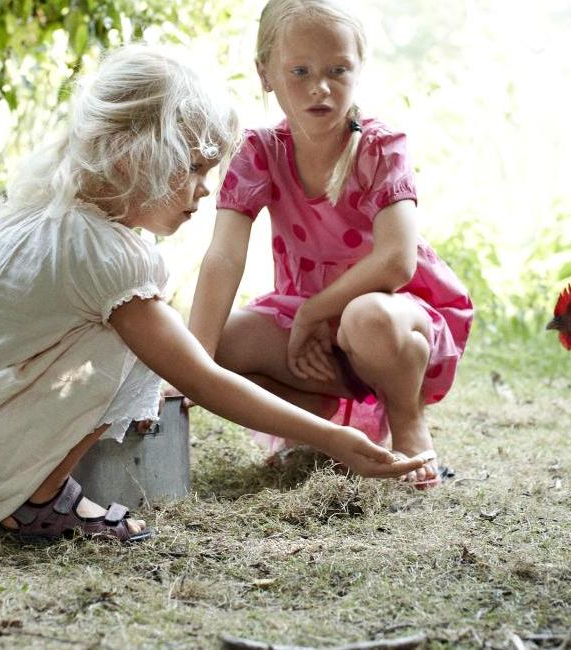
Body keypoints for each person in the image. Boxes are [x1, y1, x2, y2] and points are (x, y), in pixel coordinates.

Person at [0, 44, 427, 543]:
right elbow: (200, 374)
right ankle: (38, 500)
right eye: (194, 166)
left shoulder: (44, 212)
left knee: (147, 330)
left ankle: (29, 487)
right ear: (134, 155)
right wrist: (338, 441)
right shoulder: (104, 252)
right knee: (141, 339)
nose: (205, 187)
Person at [188, 0, 473, 488]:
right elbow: (223, 256)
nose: (319, 86)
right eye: (299, 70)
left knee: (369, 317)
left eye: (337, 69)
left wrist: (313, 312)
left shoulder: (381, 147)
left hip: (391, 318)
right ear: (266, 74)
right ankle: (323, 427)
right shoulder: (259, 150)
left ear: (359, 69)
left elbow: (396, 262)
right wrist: (189, 368)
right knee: (217, 343)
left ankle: (408, 426)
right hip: (310, 332)